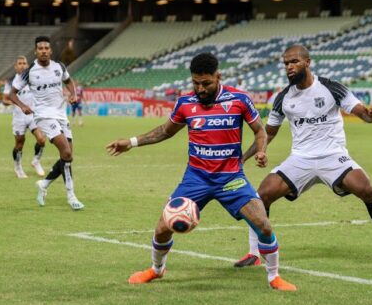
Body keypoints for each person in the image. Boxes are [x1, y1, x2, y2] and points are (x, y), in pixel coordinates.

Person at [107, 53, 297, 291]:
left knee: (264, 225)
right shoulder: (185, 103)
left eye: (206, 83)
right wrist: (132, 142)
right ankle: (156, 270)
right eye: (195, 83)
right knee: (162, 228)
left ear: (218, 77)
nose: (200, 88)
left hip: (231, 178)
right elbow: (165, 131)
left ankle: (273, 277)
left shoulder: (239, 99)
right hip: (196, 178)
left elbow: (260, 131)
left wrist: (261, 151)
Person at [235, 44, 372, 269]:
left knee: (367, 190)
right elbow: (268, 132)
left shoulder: (331, 88)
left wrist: (369, 115)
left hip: (333, 155)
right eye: (286, 63)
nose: (289, 66)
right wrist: (254, 153)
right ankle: (254, 253)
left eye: (294, 61)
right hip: (300, 158)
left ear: (307, 62)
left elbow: (361, 112)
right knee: (261, 195)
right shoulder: (283, 98)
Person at [9, 36, 84, 210]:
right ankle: (71, 196)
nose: (43, 51)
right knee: (66, 152)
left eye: (46, 48)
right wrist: (22, 105)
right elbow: (12, 94)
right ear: (35, 52)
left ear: (50, 51)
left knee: (68, 156)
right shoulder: (30, 71)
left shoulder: (59, 67)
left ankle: (44, 184)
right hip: (43, 116)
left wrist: (73, 94)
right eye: (40, 48)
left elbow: (68, 81)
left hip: (61, 115)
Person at [2, 55, 46, 178]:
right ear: (16, 67)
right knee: (20, 144)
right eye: (20, 63)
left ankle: (36, 161)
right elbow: (5, 100)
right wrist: (17, 104)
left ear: (27, 65)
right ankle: (18, 167)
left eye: (24, 63)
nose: (22, 65)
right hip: (19, 117)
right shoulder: (10, 81)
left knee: (42, 139)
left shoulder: (34, 78)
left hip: (33, 115)